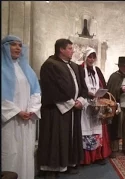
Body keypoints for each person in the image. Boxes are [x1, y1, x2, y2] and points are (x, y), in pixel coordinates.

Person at [37, 38, 88, 178]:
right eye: (70, 48)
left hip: (73, 108)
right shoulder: (50, 65)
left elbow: (82, 86)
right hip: (56, 109)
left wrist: (81, 100)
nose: (73, 51)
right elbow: (52, 88)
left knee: (70, 137)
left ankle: (69, 162)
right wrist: (71, 103)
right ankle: (52, 168)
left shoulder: (74, 66)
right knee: (55, 137)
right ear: (61, 49)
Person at [1, 35, 41, 179]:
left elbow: (36, 91)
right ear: (5, 47)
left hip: (27, 120)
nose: (18, 48)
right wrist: (17, 112)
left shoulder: (26, 69)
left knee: (26, 153)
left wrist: (31, 110)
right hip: (9, 121)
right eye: (13, 45)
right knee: (10, 152)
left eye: (20, 45)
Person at [79, 47, 111, 165]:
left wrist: (101, 93)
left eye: (93, 57)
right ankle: (86, 158)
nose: (91, 60)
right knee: (86, 130)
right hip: (85, 103)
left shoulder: (97, 70)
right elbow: (78, 85)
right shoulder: (80, 69)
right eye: (89, 57)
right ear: (85, 57)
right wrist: (87, 93)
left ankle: (97, 156)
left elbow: (102, 84)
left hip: (97, 103)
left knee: (97, 130)